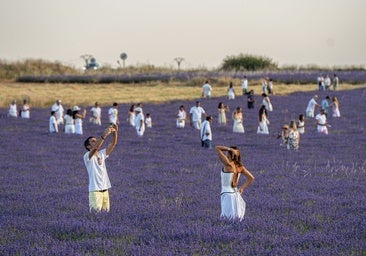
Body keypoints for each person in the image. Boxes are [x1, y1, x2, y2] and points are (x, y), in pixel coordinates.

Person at [83, 124, 118, 213]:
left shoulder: (101, 154)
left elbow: (113, 144)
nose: (96, 141)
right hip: (95, 191)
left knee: (106, 214)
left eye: (96, 140)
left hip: (105, 190)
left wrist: (115, 133)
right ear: (88, 146)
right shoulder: (87, 156)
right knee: (95, 215)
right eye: (93, 141)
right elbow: (96, 148)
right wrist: (104, 135)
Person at [215, 145, 254, 221]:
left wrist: (230, 149)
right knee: (235, 219)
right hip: (236, 195)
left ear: (230, 154)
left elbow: (217, 148)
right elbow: (251, 178)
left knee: (226, 218)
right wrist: (242, 188)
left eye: (227, 153)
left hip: (227, 194)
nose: (226, 154)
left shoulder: (228, 164)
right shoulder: (240, 166)